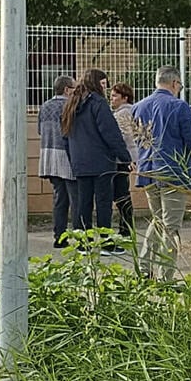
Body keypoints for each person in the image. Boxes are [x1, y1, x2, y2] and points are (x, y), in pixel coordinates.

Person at [133, 65, 191, 280]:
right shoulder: (179, 106)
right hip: (173, 172)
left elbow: (138, 140)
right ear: (174, 83)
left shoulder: (138, 107)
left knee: (158, 220)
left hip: (148, 171)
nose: (179, 88)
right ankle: (166, 277)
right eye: (179, 85)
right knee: (171, 227)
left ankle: (144, 269)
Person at [61, 69, 131, 254]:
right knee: (103, 202)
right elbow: (111, 134)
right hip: (102, 162)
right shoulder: (98, 104)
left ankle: (84, 243)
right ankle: (106, 243)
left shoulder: (72, 104)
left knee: (83, 203)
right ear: (95, 83)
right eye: (103, 83)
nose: (105, 88)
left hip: (80, 162)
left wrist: (73, 158)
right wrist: (125, 157)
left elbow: (65, 136)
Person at [38, 75, 78, 248]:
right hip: (67, 156)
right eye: (74, 89)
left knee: (59, 199)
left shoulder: (45, 106)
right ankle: (81, 238)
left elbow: (40, 130)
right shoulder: (69, 105)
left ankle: (59, 236)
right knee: (76, 199)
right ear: (67, 89)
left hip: (48, 156)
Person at [111, 81, 139, 240]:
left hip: (122, 157)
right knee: (122, 192)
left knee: (121, 194)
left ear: (124, 98)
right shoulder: (132, 111)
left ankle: (126, 229)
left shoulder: (122, 113)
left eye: (115, 96)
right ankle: (126, 227)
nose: (112, 99)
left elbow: (123, 136)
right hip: (129, 156)